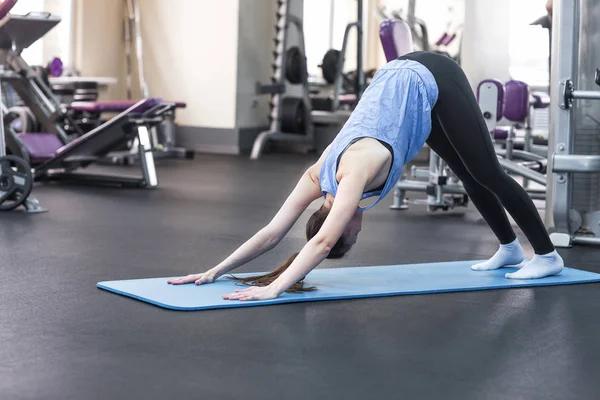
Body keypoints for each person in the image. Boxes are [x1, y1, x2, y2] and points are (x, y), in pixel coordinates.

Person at [168, 51, 564, 301]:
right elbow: (272, 233)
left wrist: (273, 289)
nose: (359, 233)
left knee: (488, 172)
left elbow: (323, 242)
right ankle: (510, 248)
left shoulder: (352, 175)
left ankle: (547, 256)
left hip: (431, 74)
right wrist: (216, 270)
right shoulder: (316, 176)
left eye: (353, 236)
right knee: (467, 173)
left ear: (344, 221)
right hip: (404, 91)